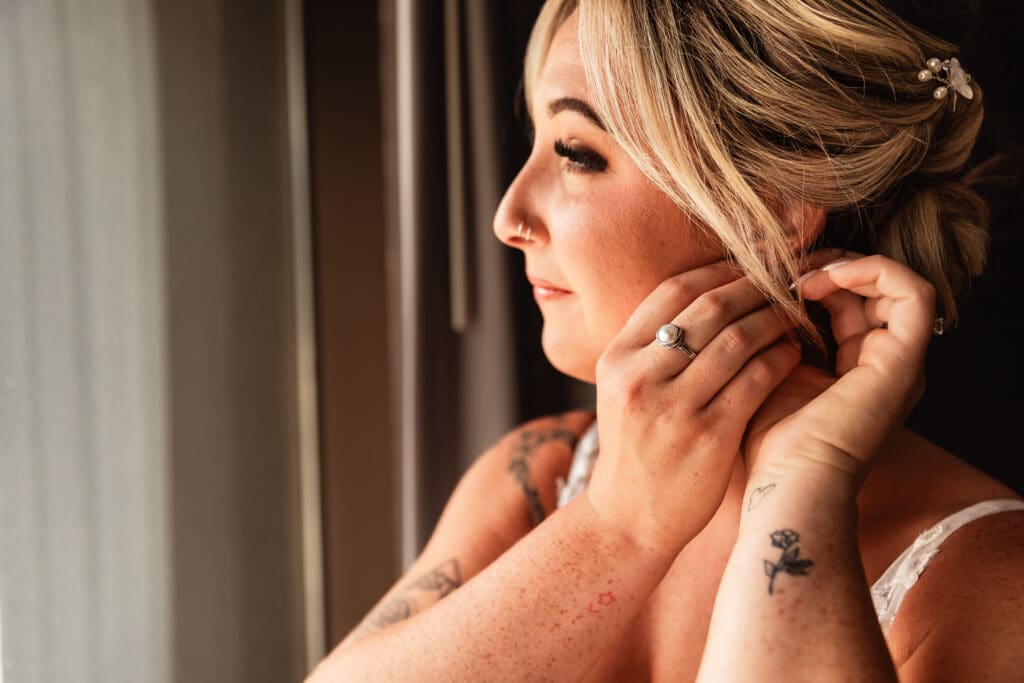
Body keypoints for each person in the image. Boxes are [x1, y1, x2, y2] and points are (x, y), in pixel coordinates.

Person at [307, 1, 1024, 680]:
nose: (508, 215)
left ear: (771, 208)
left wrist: (804, 483)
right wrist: (616, 526)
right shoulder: (541, 478)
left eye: (576, 152)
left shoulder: (985, 573)